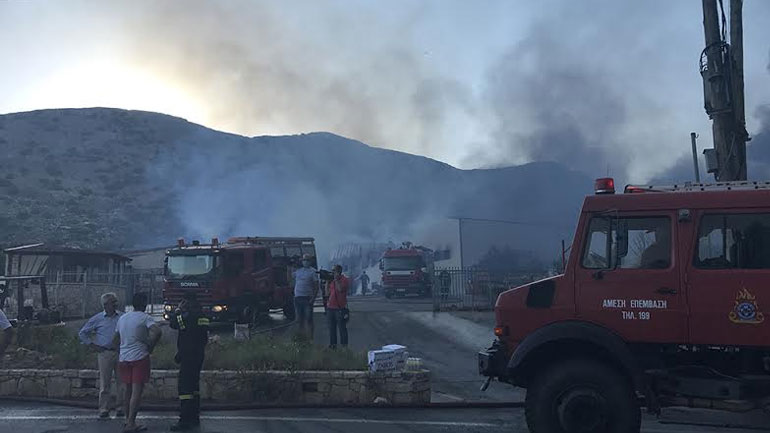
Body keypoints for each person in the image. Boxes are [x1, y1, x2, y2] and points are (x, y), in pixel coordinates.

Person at [113, 293, 161, 433]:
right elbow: (157, 331)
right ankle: (131, 423)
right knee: (136, 391)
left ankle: (127, 420)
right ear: (144, 304)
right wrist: (150, 345)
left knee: (127, 390)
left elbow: (115, 339)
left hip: (124, 358)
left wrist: (120, 351)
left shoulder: (123, 318)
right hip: (139, 357)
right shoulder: (145, 318)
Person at [167, 292, 209, 431]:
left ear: (185, 302)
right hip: (198, 355)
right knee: (194, 387)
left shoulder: (186, 316)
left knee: (185, 388)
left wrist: (178, 310)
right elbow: (203, 335)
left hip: (188, 356)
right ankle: (194, 416)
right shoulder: (202, 315)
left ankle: (184, 420)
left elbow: (174, 324)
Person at [78, 292, 124, 419]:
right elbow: (83, 333)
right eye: (113, 302)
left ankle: (120, 407)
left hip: (120, 352)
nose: (115, 304)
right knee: (105, 383)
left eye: (116, 302)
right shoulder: (97, 319)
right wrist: (93, 345)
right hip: (105, 353)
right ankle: (104, 408)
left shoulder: (122, 317)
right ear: (105, 305)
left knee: (122, 382)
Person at [293, 254, 319, 339]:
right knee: (299, 320)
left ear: (310, 261)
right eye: (304, 260)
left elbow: (316, 286)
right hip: (298, 297)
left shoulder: (313, 271)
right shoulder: (298, 271)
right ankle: (301, 338)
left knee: (309, 319)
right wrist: (289, 267)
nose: (305, 262)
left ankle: (310, 338)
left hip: (307, 298)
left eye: (307, 260)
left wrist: (313, 298)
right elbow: (289, 278)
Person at [326, 265, 350, 348]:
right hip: (330, 308)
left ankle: (344, 346)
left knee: (342, 328)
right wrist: (327, 282)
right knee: (331, 328)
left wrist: (336, 280)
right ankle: (333, 345)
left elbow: (340, 289)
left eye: (334, 271)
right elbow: (327, 293)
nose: (332, 273)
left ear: (339, 271)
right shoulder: (332, 281)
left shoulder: (344, 280)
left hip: (340, 308)